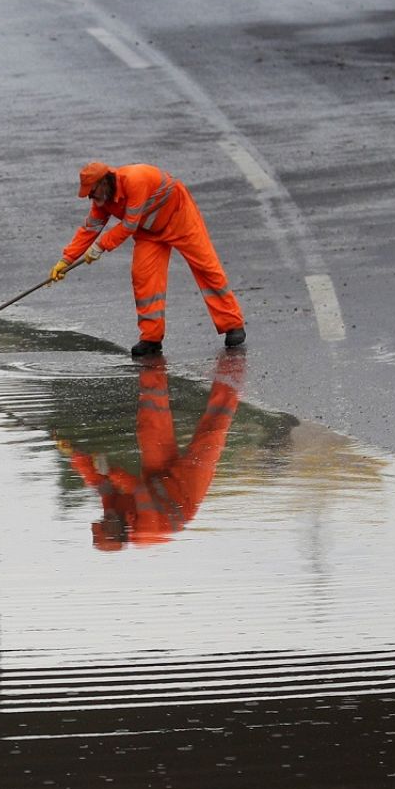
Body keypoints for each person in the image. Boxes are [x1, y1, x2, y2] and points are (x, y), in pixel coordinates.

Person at [50, 161, 246, 355]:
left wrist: (101, 246)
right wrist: (65, 260)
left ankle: (233, 325)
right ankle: (151, 338)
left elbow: (128, 225)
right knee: (144, 277)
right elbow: (89, 229)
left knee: (206, 267)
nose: (90, 197)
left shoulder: (134, 180)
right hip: (149, 232)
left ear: (104, 183)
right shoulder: (103, 201)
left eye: (92, 191)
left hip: (180, 218)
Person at [58, 353, 242, 549]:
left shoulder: (113, 515)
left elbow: (101, 485)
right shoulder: (146, 532)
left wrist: (77, 457)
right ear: (114, 531)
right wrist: (110, 471)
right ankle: (233, 368)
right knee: (212, 432)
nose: (104, 517)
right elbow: (139, 490)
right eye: (103, 523)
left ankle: (152, 366)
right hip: (184, 493)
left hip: (156, 481)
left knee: (150, 425)